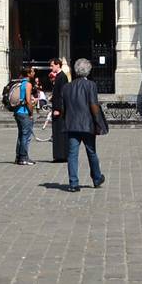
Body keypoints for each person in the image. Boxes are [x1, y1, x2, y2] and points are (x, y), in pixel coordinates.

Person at [58, 57, 106, 192]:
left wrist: (65, 119)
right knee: (91, 152)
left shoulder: (67, 87)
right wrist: (98, 121)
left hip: (72, 124)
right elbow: (93, 105)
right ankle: (96, 178)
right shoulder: (91, 85)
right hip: (87, 124)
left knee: (72, 154)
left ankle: (73, 183)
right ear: (88, 71)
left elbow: (63, 107)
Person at [11, 66, 37, 166]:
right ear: (29, 74)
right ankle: (23, 158)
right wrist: (31, 113)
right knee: (26, 135)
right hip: (24, 112)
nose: (34, 73)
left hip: (17, 111)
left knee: (21, 135)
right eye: (33, 71)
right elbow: (28, 100)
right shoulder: (28, 84)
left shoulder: (20, 83)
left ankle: (18, 157)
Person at [48, 59, 71, 163]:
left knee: (59, 133)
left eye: (52, 65)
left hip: (59, 110)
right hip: (57, 107)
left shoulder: (62, 77)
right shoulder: (59, 76)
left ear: (58, 65)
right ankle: (59, 155)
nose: (51, 67)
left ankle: (61, 155)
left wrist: (58, 109)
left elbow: (62, 94)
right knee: (56, 132)